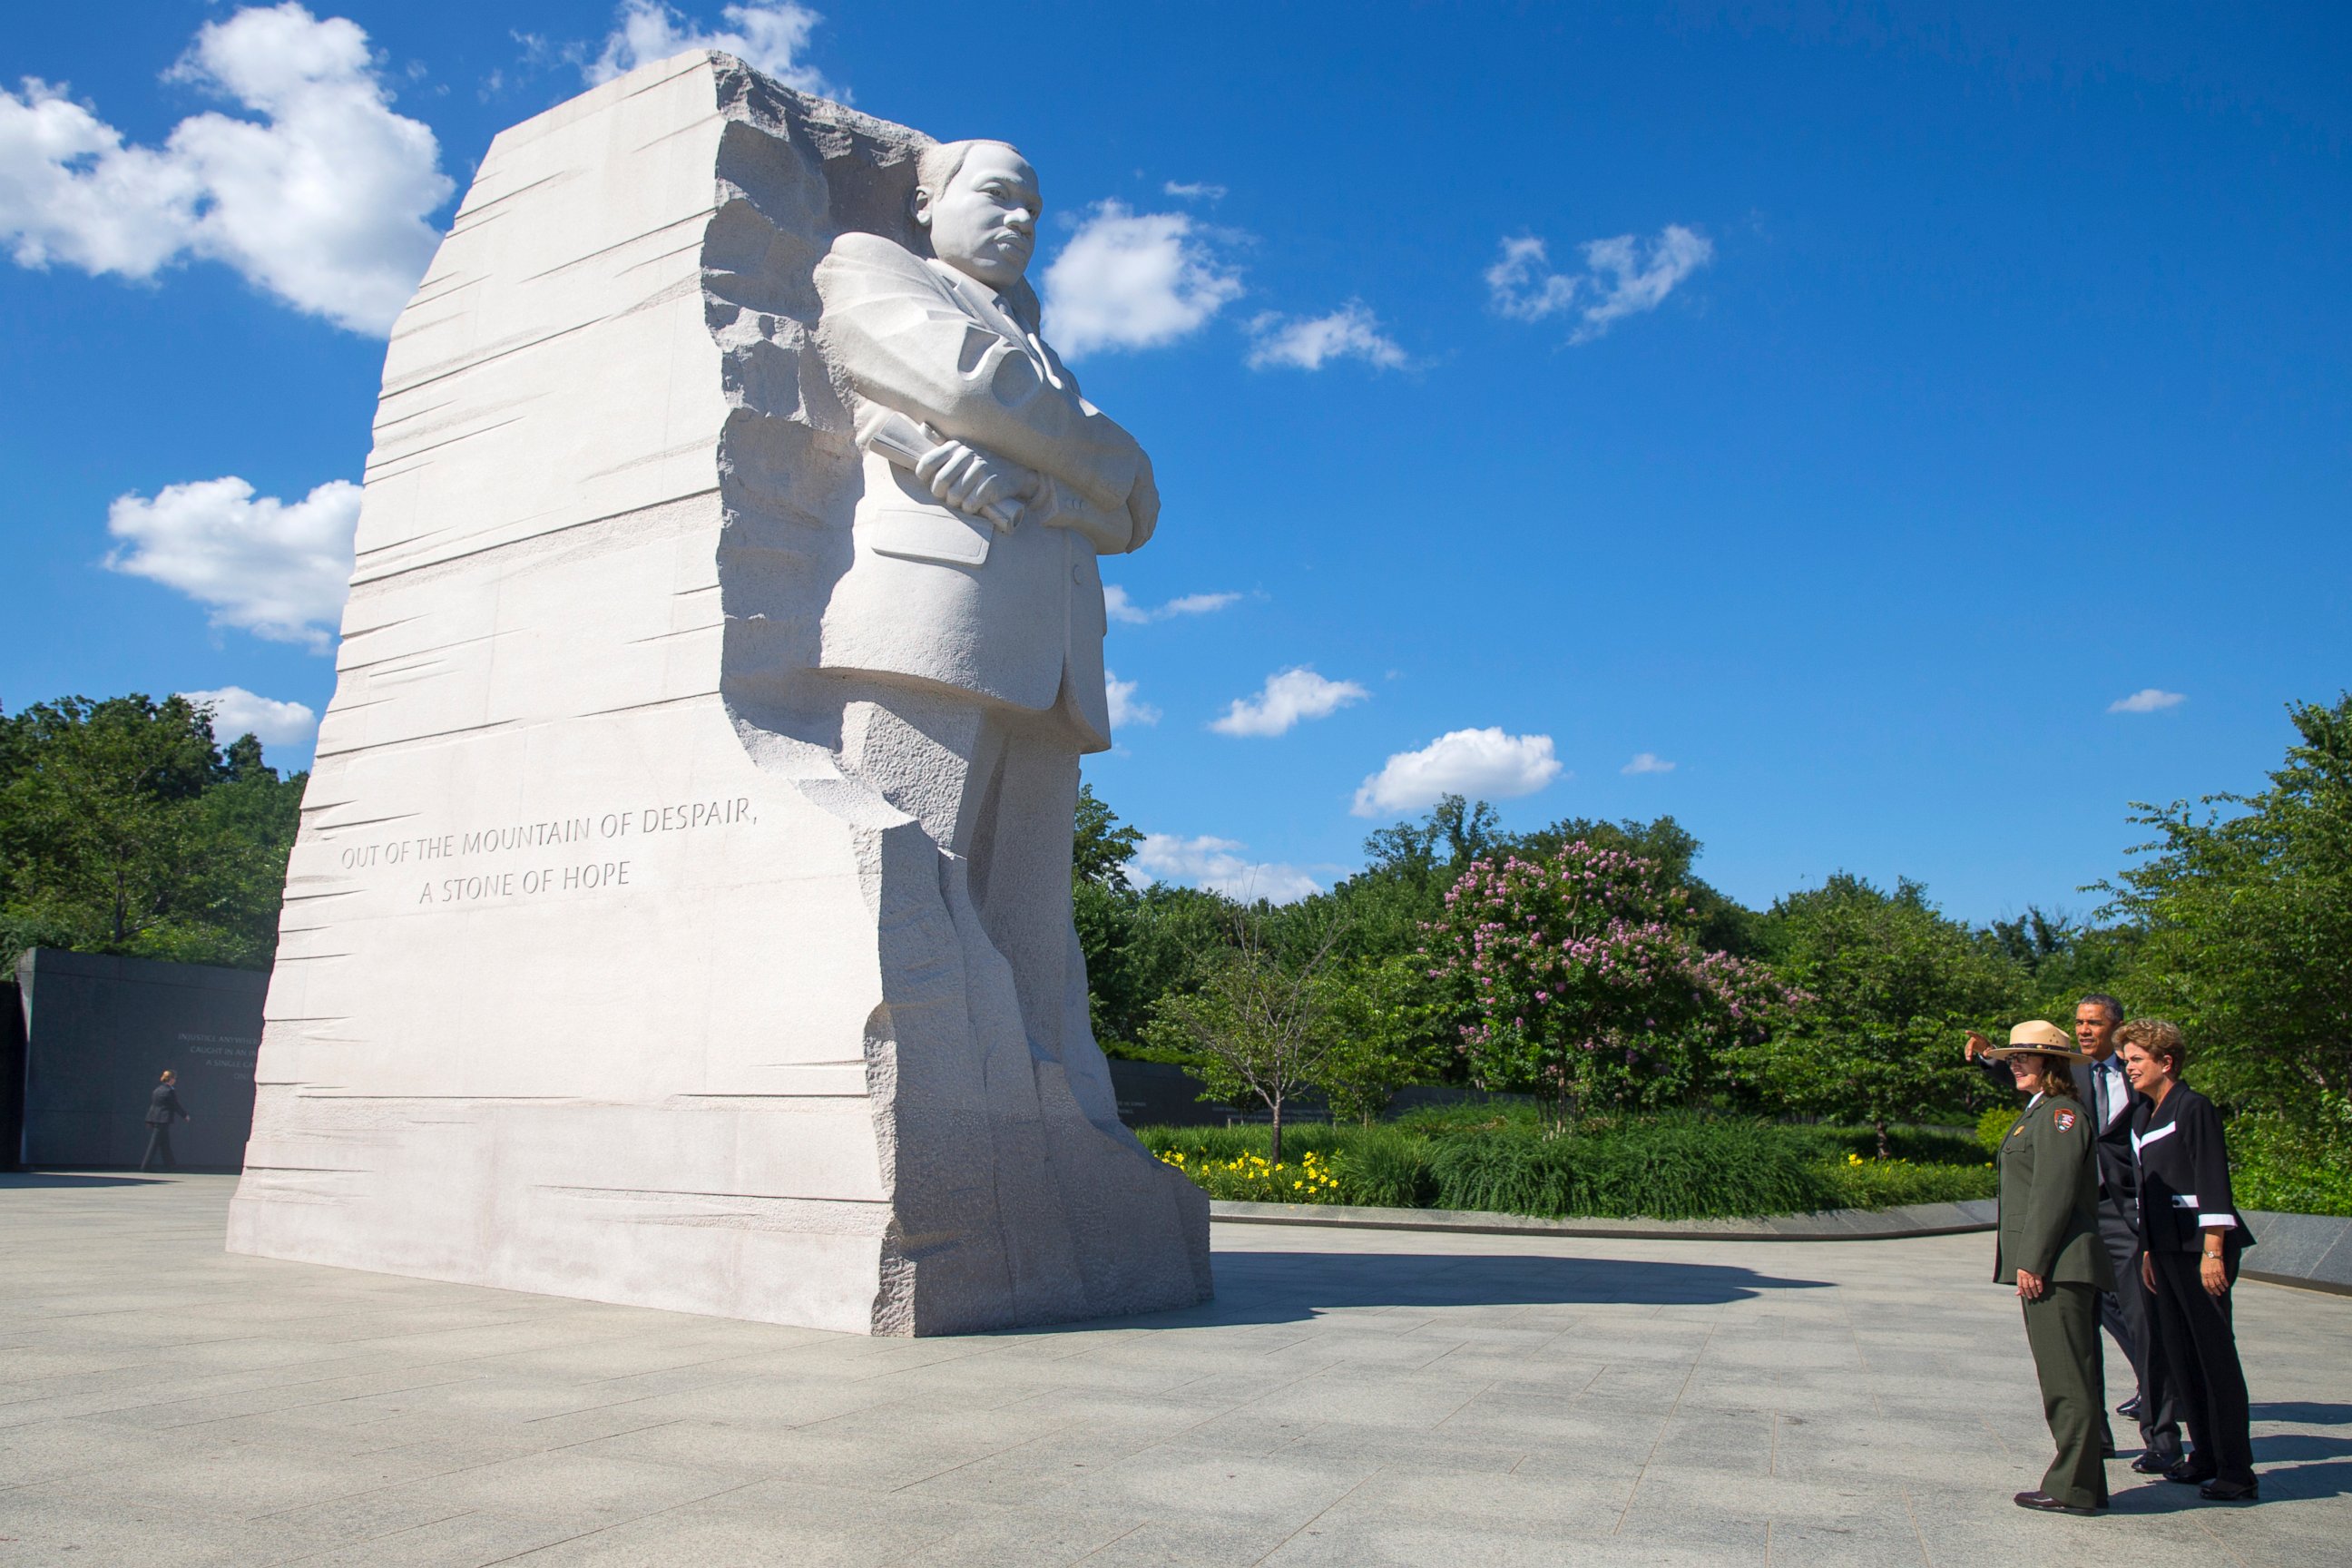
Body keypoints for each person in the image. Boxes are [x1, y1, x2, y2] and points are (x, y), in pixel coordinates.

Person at [1967, 994, 2181, 1470]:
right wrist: (1988, 1057)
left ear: (2116, 1028)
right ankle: (2094, 1436)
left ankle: (2162, 1434)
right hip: (2078, 1215)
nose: (2085, 1030)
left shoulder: (2135, 1072)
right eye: (2079, 1023)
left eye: (2094, 1023)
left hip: (2124, 1211)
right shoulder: (2070, 1079)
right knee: (2082, 1328)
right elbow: (2025, 1073)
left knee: (2144, 1322)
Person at [2118, 1017, 2259, 1503]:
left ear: (2166, 1061)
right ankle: (2204, 1456)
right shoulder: (2142, 1115)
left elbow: (2212, 1179)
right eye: (2126, 1059)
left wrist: (2213, 1251)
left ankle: (2237, 1472)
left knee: (2214, 1357)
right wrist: (2151, 1250)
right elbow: (2145, 1192)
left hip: (2203, 1250)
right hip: (2165, 1252)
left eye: (2136, 1059)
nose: (2128, 1066)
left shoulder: (2193, 1107)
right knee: (2181, 1358)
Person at [1984, 1020, 2113, 1515]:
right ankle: (2084, 1484)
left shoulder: (2060, 1115)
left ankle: (2072, 1488)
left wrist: (2031, 1261)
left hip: (2059, 1265)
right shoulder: (2040, 1113)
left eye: (2023, 1056)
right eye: (2012, 1055)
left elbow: (2052, 1195)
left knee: (2067, 1379)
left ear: (2050, 1064)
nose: (2013, 1062)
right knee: (2064, 1375)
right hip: (2052, 1263)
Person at [140, 1070, 190, 1171]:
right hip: (163, 1119)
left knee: (165, 1144)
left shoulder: (157, 1090)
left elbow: (154, 1106)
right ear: (171, 1079)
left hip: (155, 1118)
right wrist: (185, 1115)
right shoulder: (169, 1091)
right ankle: (145, 1166)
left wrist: (150, 1119)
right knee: (154, 1144)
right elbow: (175, 1105)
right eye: (174, 1078)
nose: (175, 1080)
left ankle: (171, 1165)